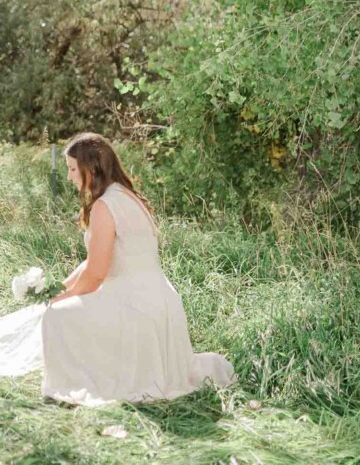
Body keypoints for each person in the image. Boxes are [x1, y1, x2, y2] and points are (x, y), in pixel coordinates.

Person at [40, 133, 235, 405]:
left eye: (73, 169)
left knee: (56, 316)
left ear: (91, 168)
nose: (70, 176)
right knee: (62, 306)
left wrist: (62, 299)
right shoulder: (128, 197)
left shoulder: (104, 206)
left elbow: (96, 275)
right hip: (161, 302)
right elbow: (94, 262)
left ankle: (78, 381)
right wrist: (62, 287)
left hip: (135, 307)